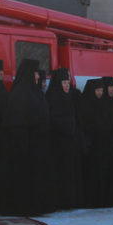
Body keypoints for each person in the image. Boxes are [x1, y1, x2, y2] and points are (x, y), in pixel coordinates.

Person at [0, 59, 55, 216]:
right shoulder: (20, 95)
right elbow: (16, 124)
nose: (37, 76)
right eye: (36, 73)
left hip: (37, 146)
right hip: (25, 148)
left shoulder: (33, 93)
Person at [79, 78, 113, 208]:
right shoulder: (87, 104)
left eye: (101, 90)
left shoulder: (105, 104)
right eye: (98, 90)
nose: (100, 93)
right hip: (92, 146)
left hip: (105, 145)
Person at [47, 67, 83, 209]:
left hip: (72, 142)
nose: (67, 85)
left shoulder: (72, 98)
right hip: (58, 143)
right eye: (64, 83)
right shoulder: (52, 98)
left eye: (68, 83)